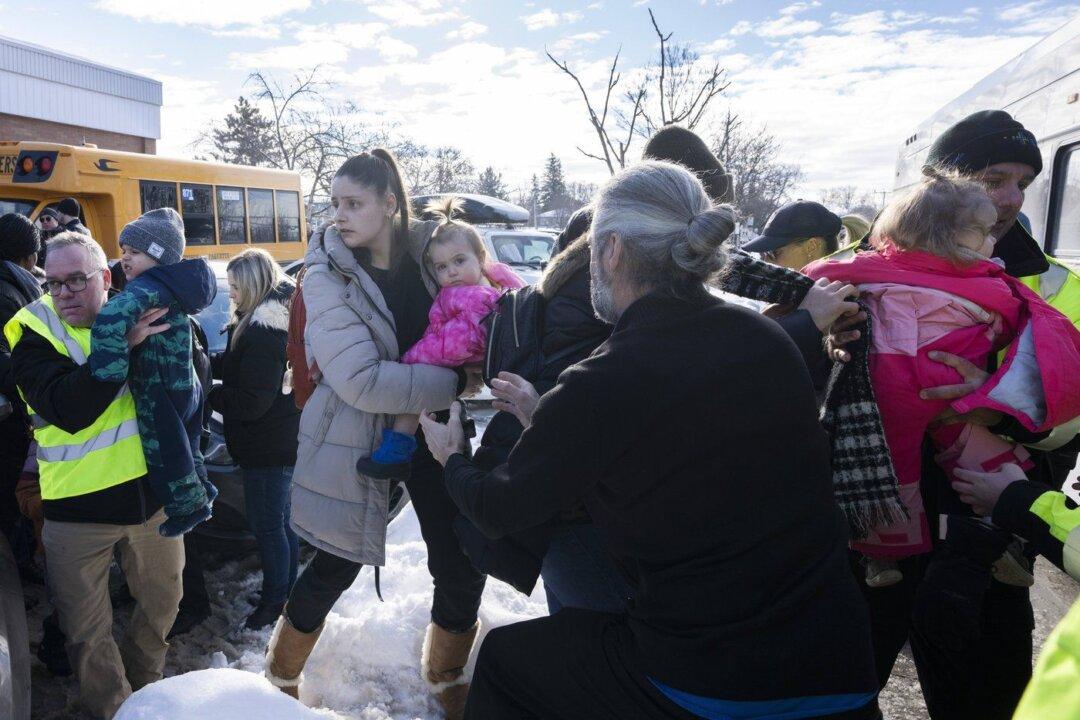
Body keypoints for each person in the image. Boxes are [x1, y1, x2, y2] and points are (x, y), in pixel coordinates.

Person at [421, 160, 879, 720]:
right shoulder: (768, 339)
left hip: (719, 677)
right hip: (840, 660)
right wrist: (550, 419)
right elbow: (684, 441)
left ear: (610, 249)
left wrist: (452, 459)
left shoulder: (606, 375)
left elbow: (499, 508)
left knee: (507, 660)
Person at [824, 109, 1080, 720]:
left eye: (1023, 181)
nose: (1012, 198)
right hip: (866, 519)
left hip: (987, 527)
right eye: (994, 179)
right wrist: (832, 353)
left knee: (983, 698)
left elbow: (1076, 404)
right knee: (842, 689)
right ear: (939, 183)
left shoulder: (1050, 283)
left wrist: (1004, 405)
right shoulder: (861, 270)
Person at [264, 149, 485, 720]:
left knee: (460, 557)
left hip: (433, 433)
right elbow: (360, 381)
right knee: (338, 561)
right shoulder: (325, 273)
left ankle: (446, 674)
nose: (340, 214)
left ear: (390, 204)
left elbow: (478, 309)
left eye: (354, 203)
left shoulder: (431, 257)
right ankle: (280, 673)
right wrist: (454, 381)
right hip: (356, 435)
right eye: (334, 203)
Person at [804, 170, 1080, 591]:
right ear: (954, 238)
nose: (993, 242)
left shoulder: (874, 267)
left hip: (890, 385)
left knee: (895, 470)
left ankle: (883, 552)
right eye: (985, 234)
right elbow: (1009, 316)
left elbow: (816, 275)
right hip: (956, 387)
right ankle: (1006, 530)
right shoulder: (984, 280)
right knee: (980, 453)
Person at [5, 231, 182, 719]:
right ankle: (113, 710)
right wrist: (120, 348)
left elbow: (184, 384)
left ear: (106, 277)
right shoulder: (31, 330)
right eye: (53, 282)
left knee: (162, 609)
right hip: (75, 512)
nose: (63, 294)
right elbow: (69, 408)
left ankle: (146, 697)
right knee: (87, 633)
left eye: (76, 281)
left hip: (150, 504)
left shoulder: (142, 309)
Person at [356, 197, 524, 480]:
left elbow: (462, 341)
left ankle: (396, 450)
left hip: (454, 358)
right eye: (441, 267)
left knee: (413, 391)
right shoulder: (473, 288)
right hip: (456, 362)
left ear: (480, 259)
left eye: (459, 261)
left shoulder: (475, 295)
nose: (451, 272)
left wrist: (414, 356)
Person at [88, 207, 218, 537]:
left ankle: (188, 508)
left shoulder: (145, 287)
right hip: (184, 383)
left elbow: (108, 320)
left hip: (156, 383)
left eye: (134, 252)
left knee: (165, 450)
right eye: (123, 252)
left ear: (158, 255)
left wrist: (109, 371)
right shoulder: (177, 286)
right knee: (187, 443)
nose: (125, 260)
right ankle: (202, 487)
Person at [207, 248, 301, 630]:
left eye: (234, 287)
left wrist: (210, 393)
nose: (230, 294)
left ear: (253, 285)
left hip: (269, 448)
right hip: (278, 442)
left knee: (270, 527)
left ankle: (276, 602)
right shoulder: (258, 321)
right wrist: (208, 364)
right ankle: (285, 591)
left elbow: (251, 401)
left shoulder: (264, 332)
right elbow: (239, 369)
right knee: (282, 523)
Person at [0, 214, 42, 544]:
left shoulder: (13, 286)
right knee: (15, 492)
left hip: (15, 413)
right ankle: (22, 559)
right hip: (12, 418)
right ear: (29, 256)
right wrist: (39, 385)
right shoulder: (8, 292)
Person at [743, 200, 863, 270]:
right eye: (762, 254)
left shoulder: (836, 301)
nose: (764, 261)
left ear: (812, 246)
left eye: (774, 253)